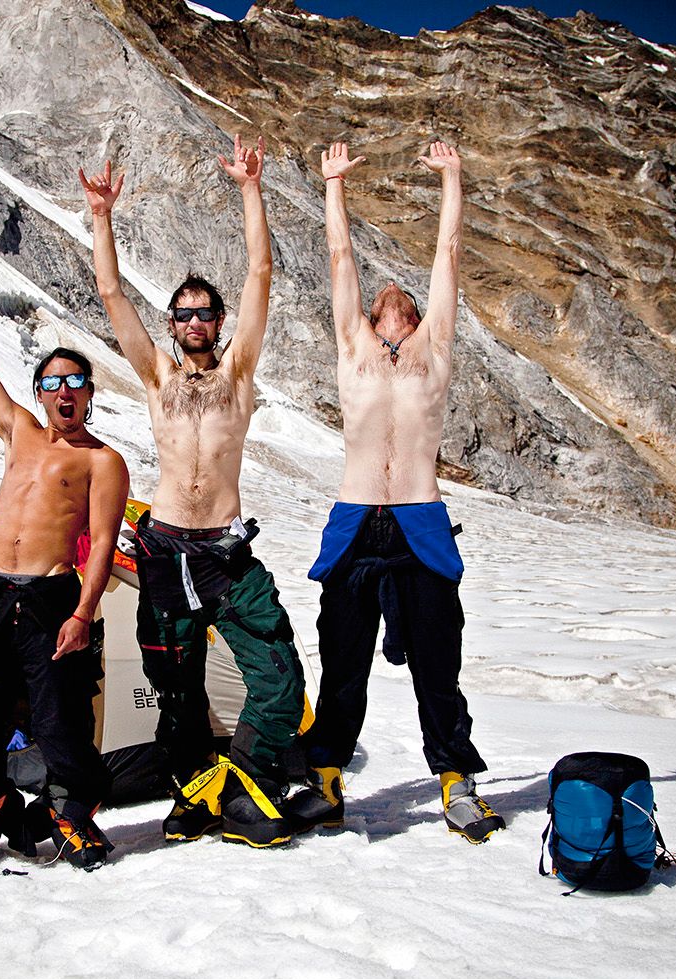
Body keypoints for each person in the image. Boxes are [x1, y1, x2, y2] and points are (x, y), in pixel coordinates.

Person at [79, 136, 305, 848]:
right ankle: (192, 795)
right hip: (167, 547)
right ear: (173, 327)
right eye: (184, 314)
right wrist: (102, 217)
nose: (196, 322)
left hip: (228, 553)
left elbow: (262, 274)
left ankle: (249, 784)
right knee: (176, 696)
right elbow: (112, 294)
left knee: (279, 676)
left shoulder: (238, 374)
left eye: (205, 312)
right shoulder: (157, 378)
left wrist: (249, 189)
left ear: (218, 322)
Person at [287, 140, 504, 845]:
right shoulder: (352, 347)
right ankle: (325, 777)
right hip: (355, 519)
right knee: (343, 660)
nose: (391, 296)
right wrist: (334, 187)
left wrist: (452, 176)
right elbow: (339, 260)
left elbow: (447, 256)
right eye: (385, 298)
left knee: (439, 664)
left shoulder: (433, 349)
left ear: (411, 316)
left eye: (402, 298)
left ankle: (454, 779)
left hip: (420, 517)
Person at [0, 281, 130, 871]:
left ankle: (68, 814)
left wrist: (82, 613)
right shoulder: (18, 430)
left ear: (89, 395)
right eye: (53, 383)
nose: (65, 392)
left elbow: (105, 544)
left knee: (59, 719)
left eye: (76, 382)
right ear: (40, 393)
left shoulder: (102, 461)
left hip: (49, 596)